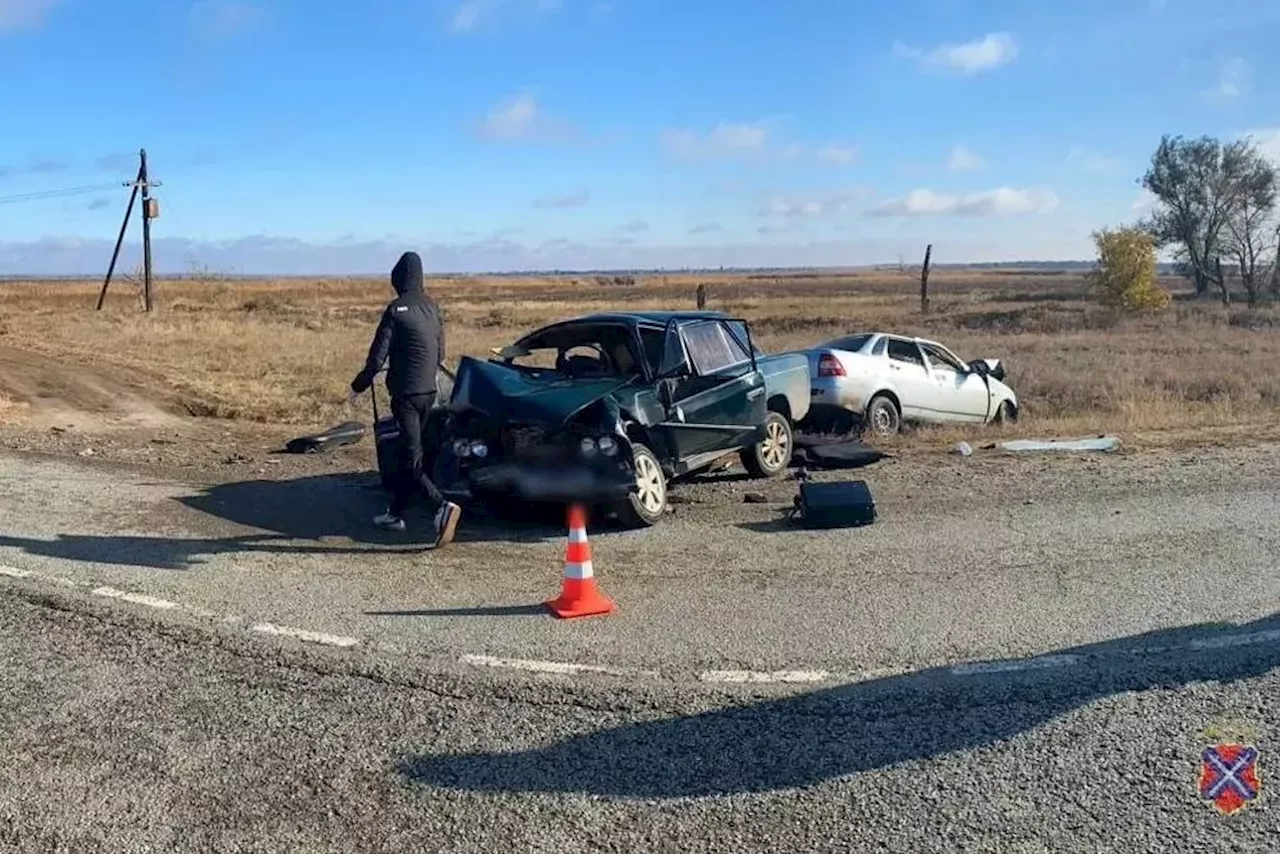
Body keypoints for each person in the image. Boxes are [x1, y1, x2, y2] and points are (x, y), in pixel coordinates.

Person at [349, 251, 461, 547]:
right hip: (430, 393)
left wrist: (357, 386)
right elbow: (441, 354)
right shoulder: (433, 308)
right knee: (409, 453)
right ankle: (396, 513)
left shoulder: (395, 310)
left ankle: (442, 508)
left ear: (398, 278)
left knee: (412, 460)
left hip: (406, 397)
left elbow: (375, 361)